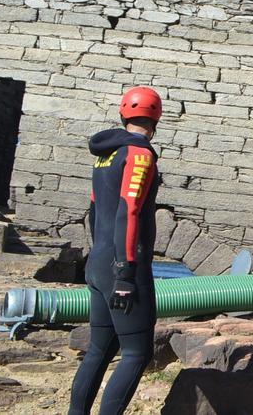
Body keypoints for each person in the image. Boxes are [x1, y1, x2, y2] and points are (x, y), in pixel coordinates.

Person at [68, 86, 163, 415]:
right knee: (136, 353)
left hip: (98, 262)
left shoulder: (105, 154)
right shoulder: (140, 155)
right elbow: (129, 211)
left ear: (124, 116)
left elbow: (94, 211)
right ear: (156, 119)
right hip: (123, 266)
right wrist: (124, 273)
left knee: (99, 349)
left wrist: (98, 260)